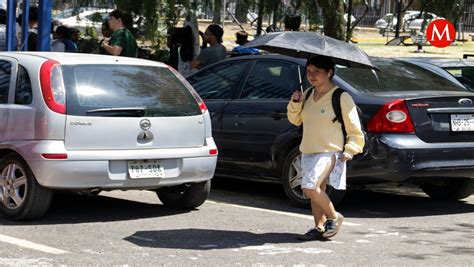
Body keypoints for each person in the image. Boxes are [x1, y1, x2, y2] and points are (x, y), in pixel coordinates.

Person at [287, 55, 364, 241]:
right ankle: (319, 227)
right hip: (308, 149)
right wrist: (295, 103)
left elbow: (354, 127)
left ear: (329, 73)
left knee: (310, 186)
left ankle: (334, 217)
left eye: (317, 72)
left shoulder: (341, 97)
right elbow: (295, 120)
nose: (312, 76)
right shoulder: (307, 94)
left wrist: (351, 148)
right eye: (309, 71)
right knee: (315, 190)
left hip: (329, 150)